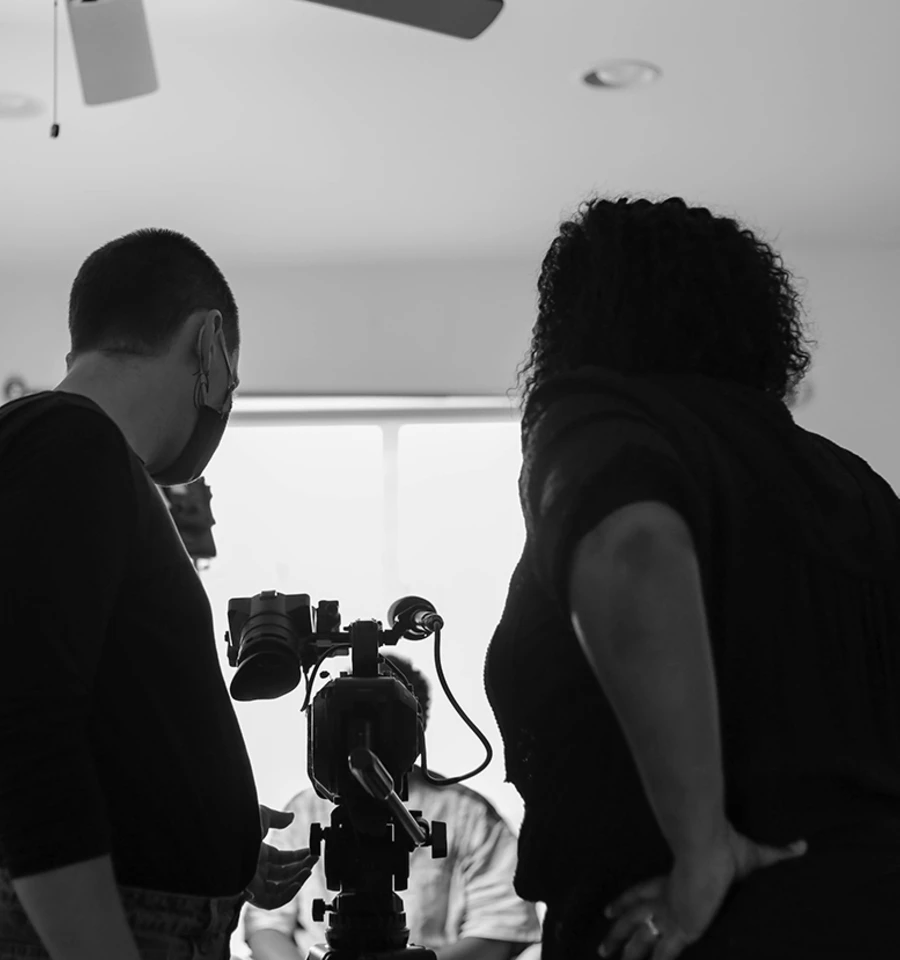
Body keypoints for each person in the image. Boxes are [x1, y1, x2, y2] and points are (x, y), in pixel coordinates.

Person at [483, 195, 900, 959]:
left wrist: (702, 850)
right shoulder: (857, 489)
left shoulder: (601, 420)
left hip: (682, 933)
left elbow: (635, 550)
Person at [0, 228, 316, 960]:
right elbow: (23, 726)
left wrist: (216, 832)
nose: (228, 397)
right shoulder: (72, 443)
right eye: (231, 370)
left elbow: (87, 704)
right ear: (210, 343)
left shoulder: (69, 454)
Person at [242, 654, 542, 960]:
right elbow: (266, 926)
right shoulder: (304, 811)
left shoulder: (467, 815)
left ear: (417, 729)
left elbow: (500, 928)